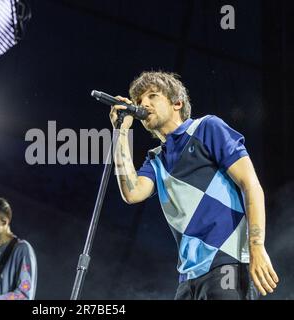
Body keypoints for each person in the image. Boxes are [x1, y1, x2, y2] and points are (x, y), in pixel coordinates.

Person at [110, 71, 279, 300]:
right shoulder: (156, 160)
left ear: (177, 102)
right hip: (188, 278)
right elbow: (132, 193)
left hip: (227, 261)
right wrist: (120, 132)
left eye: (152, 96)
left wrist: (257, 246)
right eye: (139, 101)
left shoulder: (207, 128)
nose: (144, 104)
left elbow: (251, 184)